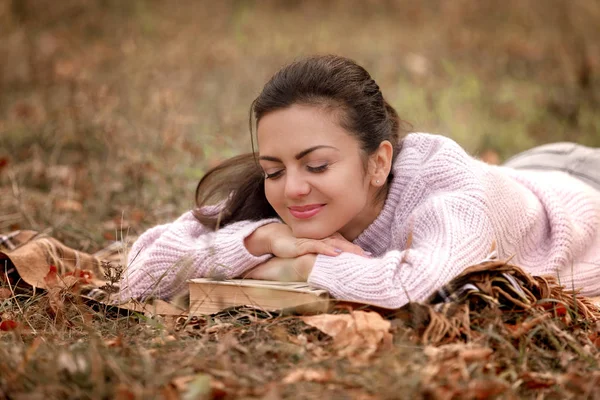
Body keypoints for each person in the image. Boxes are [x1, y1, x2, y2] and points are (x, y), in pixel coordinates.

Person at [117, 55, 600, 308]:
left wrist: (295, 268)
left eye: (318, 165)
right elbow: (141, 273)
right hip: (522, 173)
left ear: (377, 163)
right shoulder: (282, 197)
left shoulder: (453, 193)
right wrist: (262, 239)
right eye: (274, 169)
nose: (292, 189)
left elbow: (416, 291)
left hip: (582, 190)